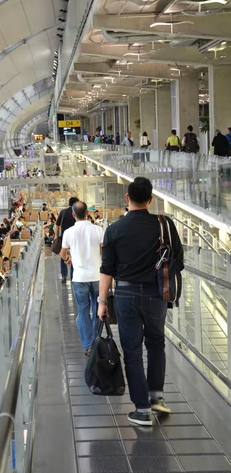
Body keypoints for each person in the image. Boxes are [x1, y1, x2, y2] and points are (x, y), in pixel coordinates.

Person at [98, 177, 184, 426]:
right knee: (156, 344)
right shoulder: (164, 225)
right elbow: (179, 260)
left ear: (127, 198)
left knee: (132, 353)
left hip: (125, 296)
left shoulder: (114, 230)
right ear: (150, 199)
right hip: (158, 294)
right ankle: (157, 397)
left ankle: (143, 410)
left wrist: (102, 301)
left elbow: (107, 270)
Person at [60, 201, 104, 356]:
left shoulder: (69, 232)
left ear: (73, 215)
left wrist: (68, 260)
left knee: (83, 311)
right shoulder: (98, 230)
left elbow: (62, 253)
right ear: (88, 213)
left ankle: (88, 344)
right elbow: (103, 250)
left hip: (79, 278)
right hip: (98, 276)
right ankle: (97, 339)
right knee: (97, 308)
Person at [54, 196, 79, 283]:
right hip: (75, 238)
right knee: (74, 255)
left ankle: (64, 275)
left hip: (65, 237)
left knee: (63, 255)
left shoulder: (63, 212)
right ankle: (73, 276)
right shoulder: (77, 212)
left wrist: (57, 236)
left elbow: (57, 226)